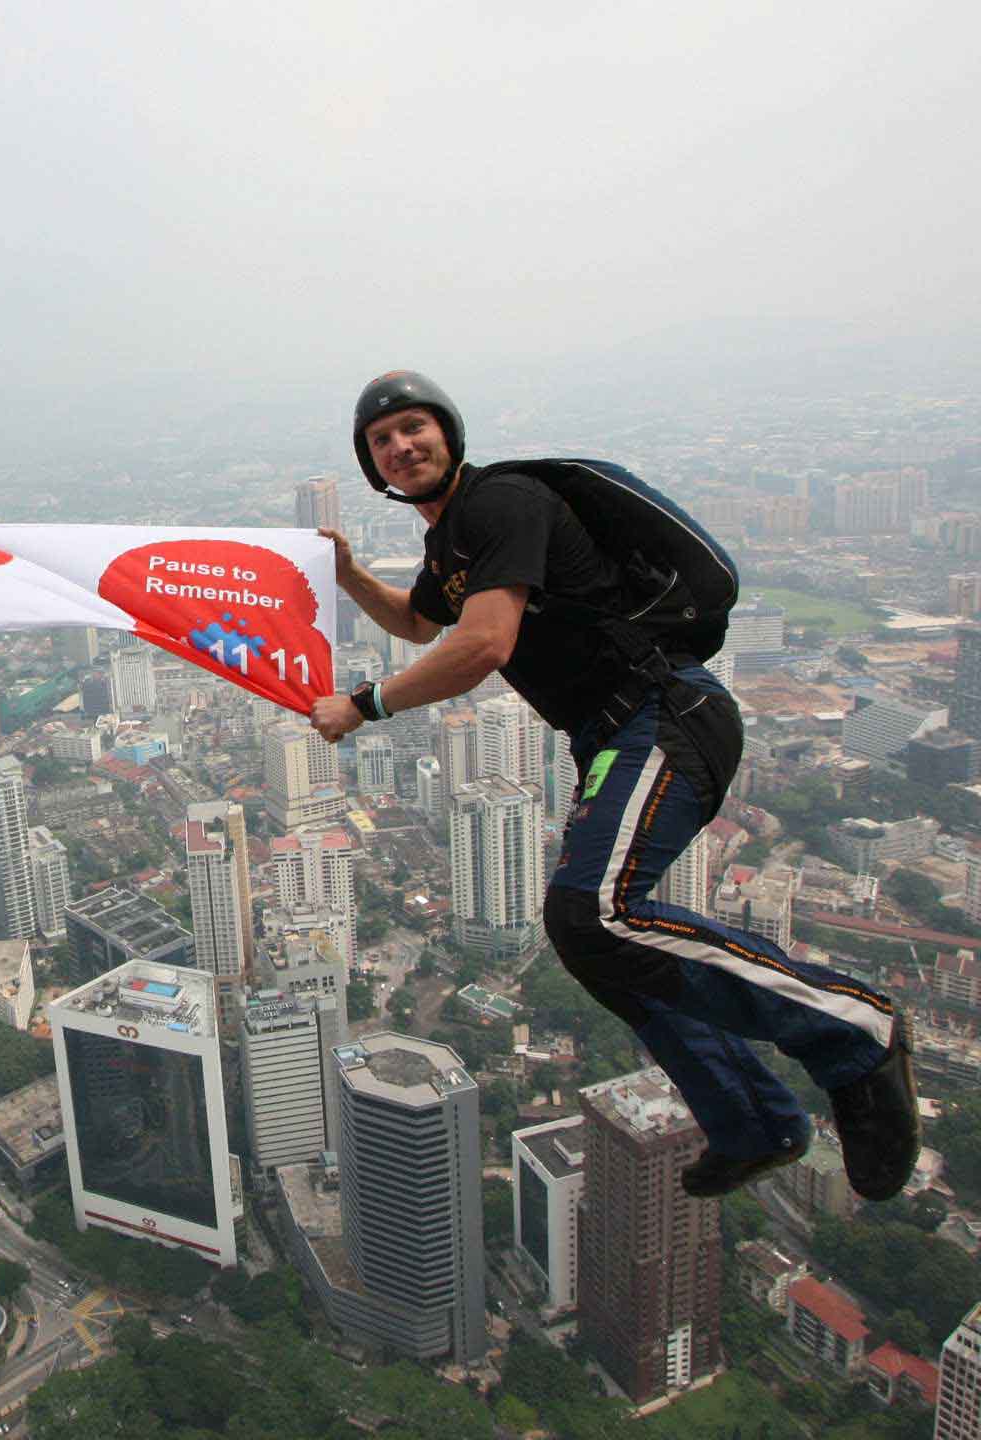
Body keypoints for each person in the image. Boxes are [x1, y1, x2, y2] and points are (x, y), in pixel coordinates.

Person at [312, 370, 918, 1205]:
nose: (401, 447)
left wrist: (366, 703)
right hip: (608, 737)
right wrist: (345, 574)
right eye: (382, 441)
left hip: (662, 712)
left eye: (413, 427)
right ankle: (754, 1119)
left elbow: (484, 643)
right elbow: (421, 620)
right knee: (595, 942)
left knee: (590, 911)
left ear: (448, 432)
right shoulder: (451, 542)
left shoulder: (501, 502)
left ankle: (853, 1026)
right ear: (372, 464)